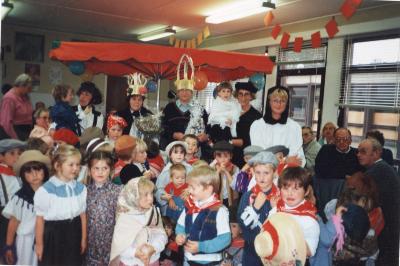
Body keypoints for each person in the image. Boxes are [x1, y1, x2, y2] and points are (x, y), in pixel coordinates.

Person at [34, 144, 87, 266]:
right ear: (57, 166)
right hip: (54, 235)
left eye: (78, 165)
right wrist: (39, 244)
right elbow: (40, 220)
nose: (75, 168)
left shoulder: (81, 188)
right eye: (71, 165)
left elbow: (83, 215)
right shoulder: (46, 190)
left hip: (74, 233)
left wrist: (83, 238)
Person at [2, 150, 50, 265]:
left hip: (47, 238)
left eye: (38, 169)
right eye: (29, 171)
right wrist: (8, 245)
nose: (34, 175)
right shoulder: (20, 198)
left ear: (45, 171)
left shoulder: (51, 193)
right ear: (23, 175)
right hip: (26, 242)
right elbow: (14, 222)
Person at [175, 166, 231, 265]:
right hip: (188, 259)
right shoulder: (189, 206)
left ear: (208, 189)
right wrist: (180, 235)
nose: (189, 190)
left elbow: (225, 239)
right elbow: (180, 226)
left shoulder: (219, 211)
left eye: (193, 187)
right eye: (189, 186)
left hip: (210, 261)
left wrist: (201, 246)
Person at [356, 138, 400, 266]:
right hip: (389, 225)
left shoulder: (376, 172)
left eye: (363, 151)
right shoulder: (383, 168)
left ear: (376, 154)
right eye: (358, 151)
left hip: (385, 228)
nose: (358, 155)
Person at [160, 54, 209, 160]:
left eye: (187, 90)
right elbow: (162, 128)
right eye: (181, 90)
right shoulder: (170, 108)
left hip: (194, 153)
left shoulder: (199, 109)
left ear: (192, 92)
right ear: (177, 92)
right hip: (174, 152)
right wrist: (173, 135)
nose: (184, 93)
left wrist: (206, 136)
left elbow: (208, 126)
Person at [109, 177, 167, 266]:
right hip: (131, 262)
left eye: (151, 193)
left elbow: (161, 235)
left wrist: (153, 248)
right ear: (134, 196)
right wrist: (135, 253)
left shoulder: (153, 212)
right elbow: (119, 246)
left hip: (152, 261)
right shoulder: (125, 218)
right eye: (145, 195)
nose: (150, 198)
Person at [237, 151, 279, 266]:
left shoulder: (280, 196)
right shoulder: (248, 196)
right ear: (253, 173)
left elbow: (284, 225)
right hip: (252, 250)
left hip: (275, 251)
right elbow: (242, 224)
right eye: (258, 172)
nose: (261, 177)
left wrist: (275, 210)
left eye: (266, 173)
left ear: (275, 173)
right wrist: (255, 208)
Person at [314, 128, 363, 220]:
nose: (341, 142)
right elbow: (319, 170)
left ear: (350, 140)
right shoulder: (326, 150)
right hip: (327, 191)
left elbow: (359, 173)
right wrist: (344, 175)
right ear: (334, 140)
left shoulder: (356, 154)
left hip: (348, 194)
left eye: (345, 139)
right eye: (338, 139)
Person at [250, 86, 305, 166]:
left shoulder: (295, 127)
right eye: (275, 100)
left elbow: (299, 159)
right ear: (269, 102)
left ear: (287, 103)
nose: (279, 104)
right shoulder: (257, 126)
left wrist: (277, 160)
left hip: (288, 175)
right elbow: (259, 156)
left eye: (283, 101)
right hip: (264, 174)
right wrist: (285, 160)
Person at [271, 167, 320, 257]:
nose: (290, 193)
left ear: (306, 191)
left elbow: (310, 251)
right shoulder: (276, 209)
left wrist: (291, 234)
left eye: (295, 189)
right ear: (280, 189)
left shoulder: (309, 219)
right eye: (285, 188)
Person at [85, 150, 122, 266]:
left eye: (104, 168)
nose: (100, 172)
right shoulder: (84, 191)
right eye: (96, 168)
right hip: (90, 243)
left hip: (110, 243)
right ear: (90, 171)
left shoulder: (118, 191)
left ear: (111, 170)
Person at [155, 141, 192, 215]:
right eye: (176, 152)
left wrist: (189, 190)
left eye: (181, 153)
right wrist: (167, 198)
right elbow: (159, 189)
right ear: (170, 155)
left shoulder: (189, 168)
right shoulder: (166, 172)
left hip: (187, 201)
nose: (179, 155)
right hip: (171, 204)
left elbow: (196, 183)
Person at [231, 81, 262, 168]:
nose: (243, 97)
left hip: (246, 158)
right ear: (237, 95)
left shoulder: (257, 117)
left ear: (251, 96)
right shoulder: (231, 112)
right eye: (240, 94)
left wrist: (230, 141)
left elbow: (254, 141)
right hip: (228, 156)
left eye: (246, 94)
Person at [117, 73, 152, 138]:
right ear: (129, 100)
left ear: (142, 101)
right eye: (134, 99)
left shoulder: (148, 115)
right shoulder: (119, 115)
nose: (137, 102)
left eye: (139, 100)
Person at [0, 74, 33, 140]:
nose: (30, 91)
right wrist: (15, 139)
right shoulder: (9, 98)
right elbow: (6, 123)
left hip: (26, 130)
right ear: (21, 86)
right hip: (15, 131)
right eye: (28, 88)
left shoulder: (25, 97)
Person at [210, 140, 239, 207]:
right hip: (215, 199)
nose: (223, 159)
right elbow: (211, 183)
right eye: (219, 156)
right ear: (215, 157)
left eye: (226, 156)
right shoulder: (211, 167)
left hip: (231, 199)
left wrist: (226, 171)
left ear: (231, 156)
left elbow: (235, 186)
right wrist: (218, 171)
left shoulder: (235, 168)